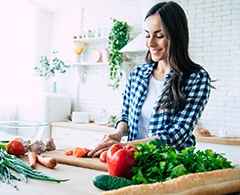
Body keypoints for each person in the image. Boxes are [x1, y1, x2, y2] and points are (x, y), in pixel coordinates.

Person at [88, 1, 212, 157]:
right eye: (147, 35)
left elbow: (177, 135)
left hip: (170, 165)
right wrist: (118, 133)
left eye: (159, 35)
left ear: (176, 36)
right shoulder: (137, 74)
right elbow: (125, 115)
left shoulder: (196, 78)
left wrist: (124, 146)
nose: (150, 43)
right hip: (131, 160)